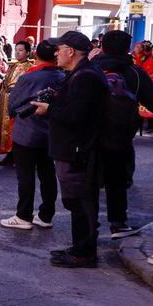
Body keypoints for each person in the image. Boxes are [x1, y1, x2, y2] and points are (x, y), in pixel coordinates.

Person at [28, 31, 105, 269]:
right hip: (72, 149)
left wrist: (48, 110)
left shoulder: (86, 77)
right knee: (75, 201)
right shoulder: (80, 74)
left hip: (78, 150)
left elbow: (76, 116)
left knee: (82, 202)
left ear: (70, 51)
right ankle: (79, 247)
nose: (55, 53)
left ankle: (84, 252)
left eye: (59, 48)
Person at [90, 30, 153, 238]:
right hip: (119, 136)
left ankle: (87, 229)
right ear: (127, 49)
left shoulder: (92, 68)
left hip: (90, 136)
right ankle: (118, 223)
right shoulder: (135, 73)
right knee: (117, 181)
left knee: (90, 183)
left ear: (103, 46)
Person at [0, 41, 65, 231]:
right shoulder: (63, 76)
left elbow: (13, 104)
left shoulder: (29, 77)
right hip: (51, 132)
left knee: (26, 176)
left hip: (27, 132)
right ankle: (46, 215)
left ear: (34, 54)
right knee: (47, 174)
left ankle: (23, 215)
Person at [0, 40, 32, 165]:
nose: (18, 53)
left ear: (28, 52)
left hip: (16, 101)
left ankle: (16, 157)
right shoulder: (13, 65)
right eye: (16, 50)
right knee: (4, 129)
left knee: (13, 129)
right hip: (5, 99)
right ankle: (9, 155)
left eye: (21, 50)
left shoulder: (29, 67)